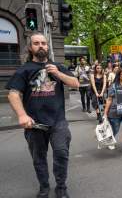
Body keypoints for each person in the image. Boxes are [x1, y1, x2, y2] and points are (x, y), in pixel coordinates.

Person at [6, 32, 79, 198]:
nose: (41, 46)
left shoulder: (57, 66)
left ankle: (61, 187)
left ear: (48, 47)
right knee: (39, 158)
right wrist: (22, 115)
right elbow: (13, 94)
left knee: (61, 154)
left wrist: (58, 74)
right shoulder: (24, 70)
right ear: (31, 48)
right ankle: (44, 187)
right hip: (35, 124)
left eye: (44, 43)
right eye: (37, 43)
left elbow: (75, 83)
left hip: (58, 122)